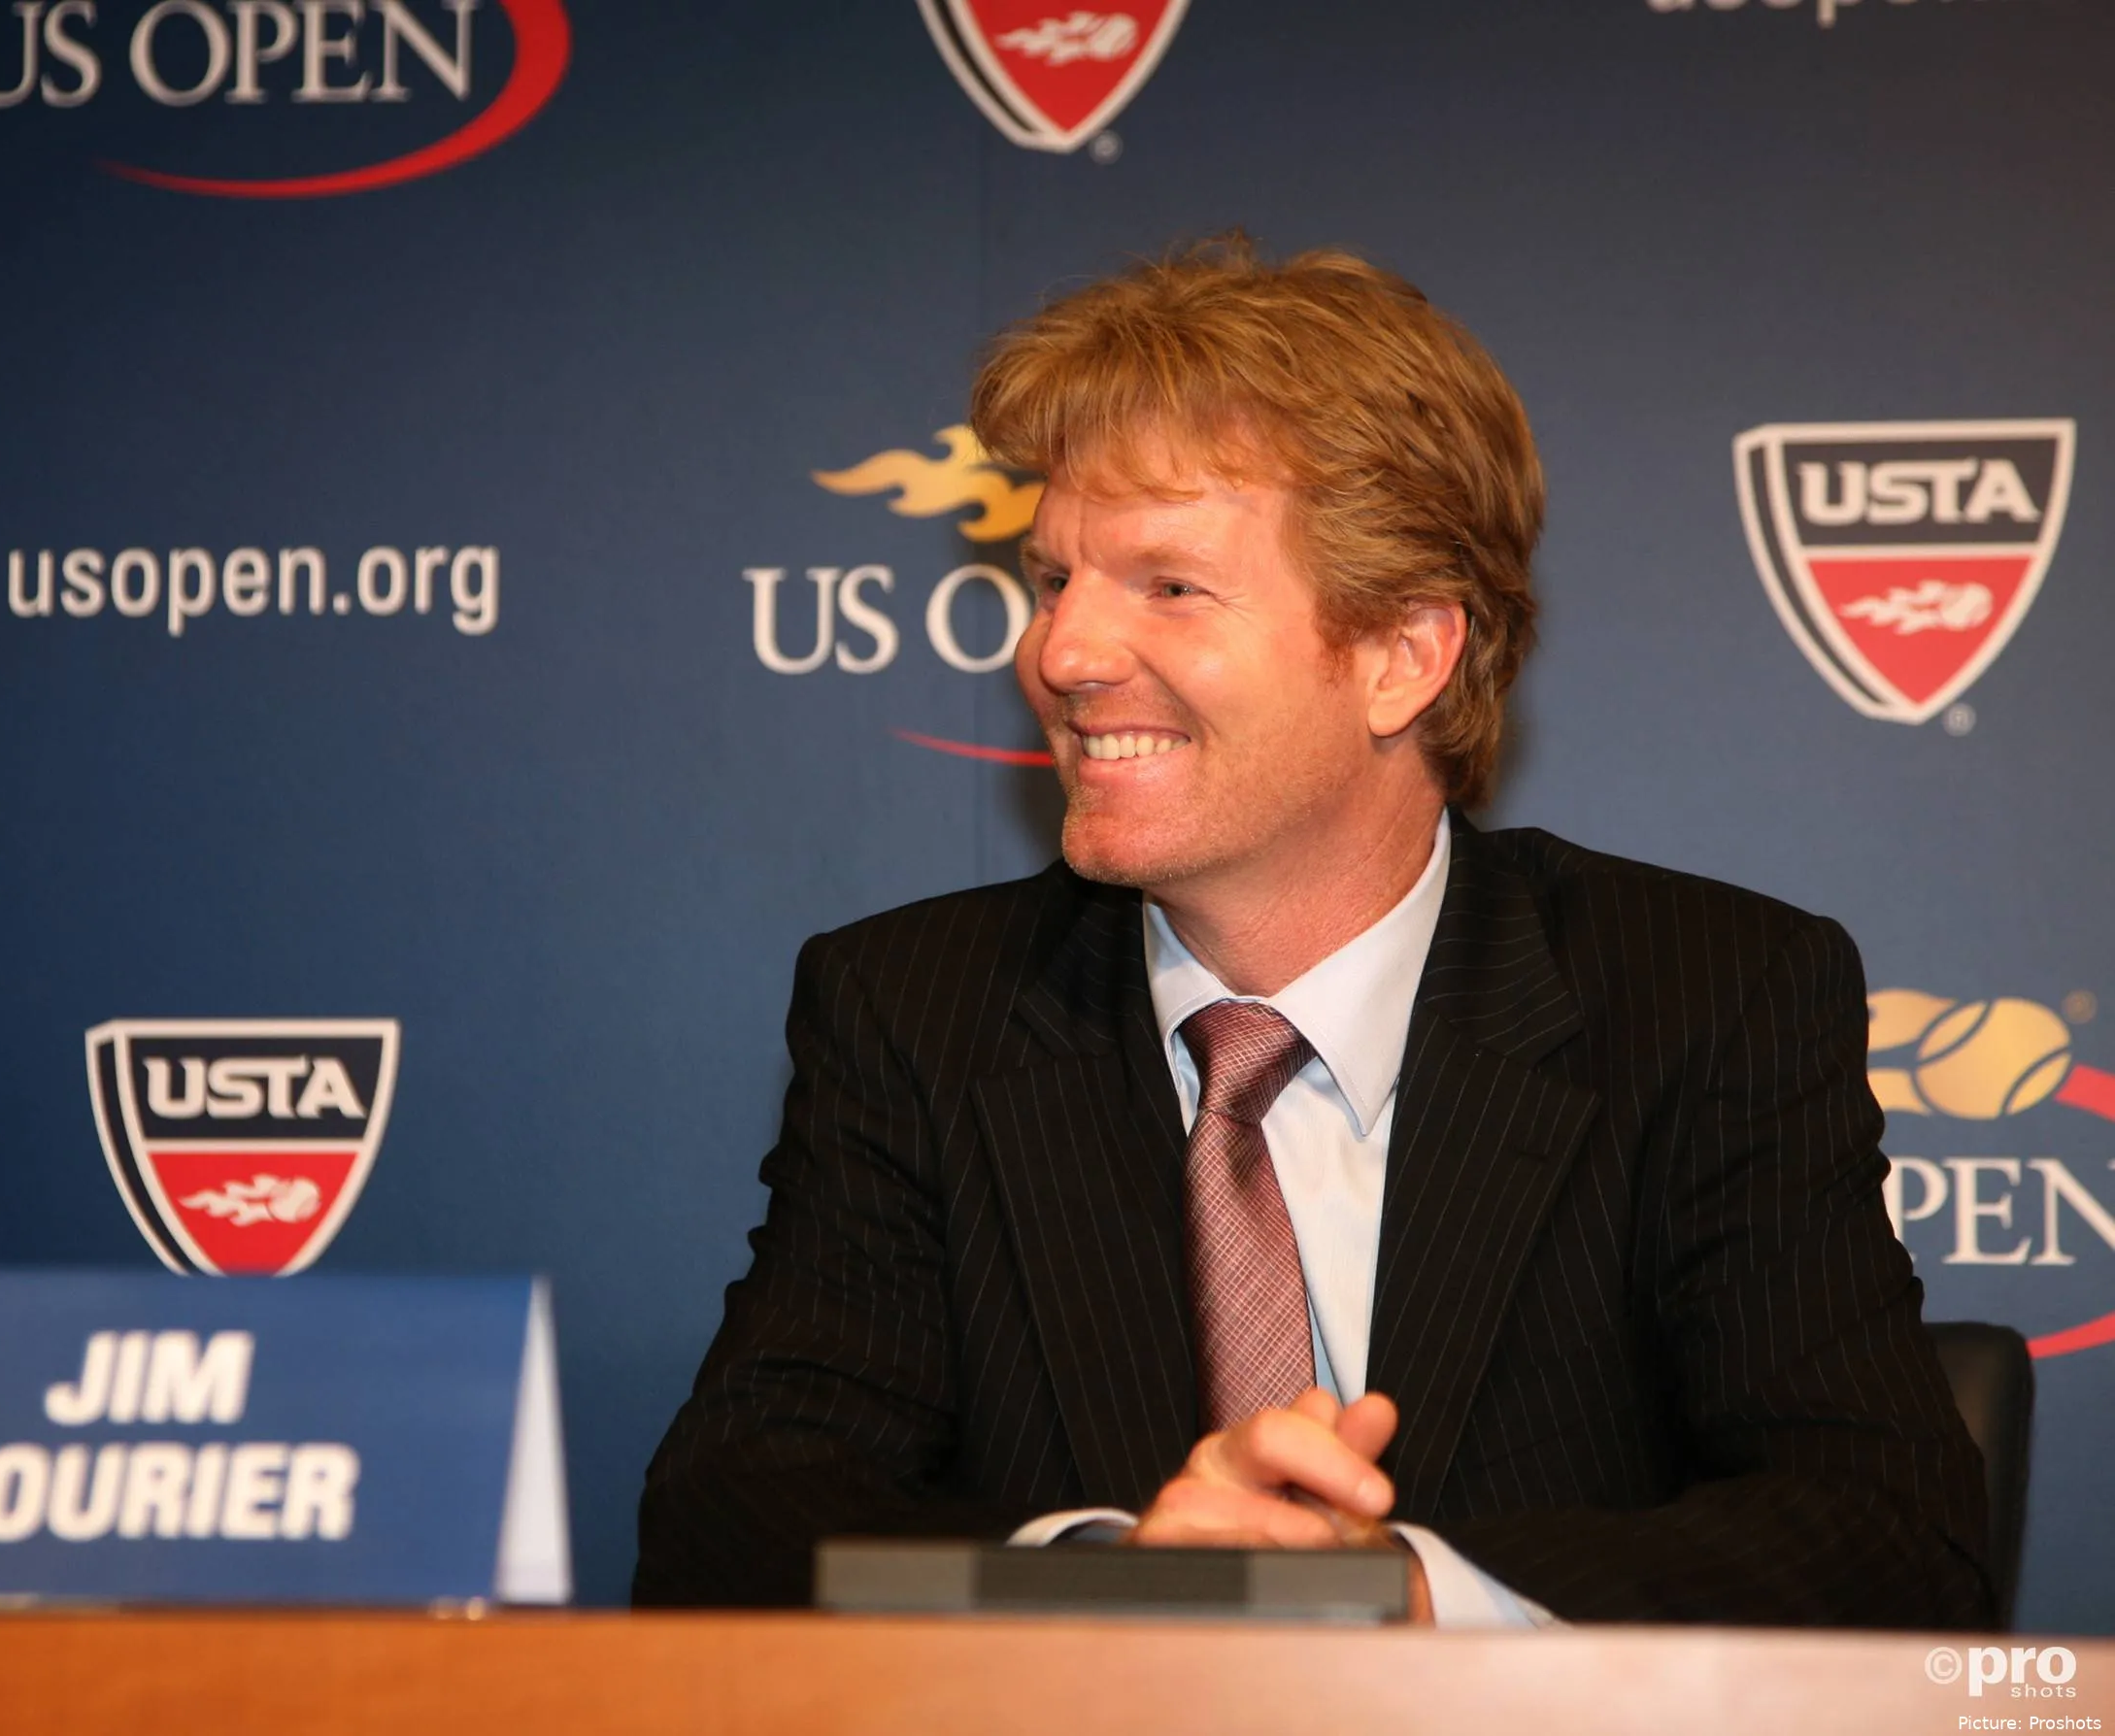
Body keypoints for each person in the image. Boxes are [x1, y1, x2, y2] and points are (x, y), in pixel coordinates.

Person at [634, 237, 1992, 1626]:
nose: (1061, 653)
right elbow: (732, 1517)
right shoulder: (914, 1011)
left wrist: (1410, 1597)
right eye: (1053, 582)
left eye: (1167, 585)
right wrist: (1117, 1584)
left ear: (1403, 654)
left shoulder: (1708, 997)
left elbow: (1890, 1537)